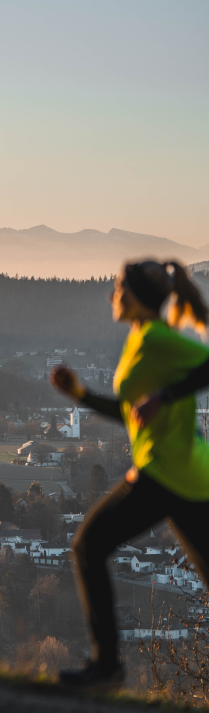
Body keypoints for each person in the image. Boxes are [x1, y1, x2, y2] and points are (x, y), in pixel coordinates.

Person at [50, 258, 209, 690]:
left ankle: (107, 668)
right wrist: (80, 394)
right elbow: (131, 412)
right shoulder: (141, 339)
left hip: (166, 472)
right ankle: (106, 668)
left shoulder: (157, 338)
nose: (111, 296)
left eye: (119, 289)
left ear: (136, 296)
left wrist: (165, 395)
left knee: (88, 546)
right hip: (188, 477)